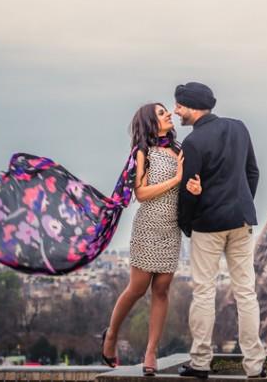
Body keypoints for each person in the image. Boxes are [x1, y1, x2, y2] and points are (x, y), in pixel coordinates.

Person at [174, 82, 266, 380]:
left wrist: (186, 223)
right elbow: (253, 172)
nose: (176, 111)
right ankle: (255, 364)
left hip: (208, 225)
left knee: (203, 292)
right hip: (241, 222)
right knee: (246, 293)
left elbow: (188, 191)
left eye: (179, 105)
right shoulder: (238, 128)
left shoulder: (193, 143)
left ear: (192, 106)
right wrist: (240, 203)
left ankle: (200, 361)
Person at [102, 103, 202, 374]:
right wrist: (177, 179)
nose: (168, 113)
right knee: (137, 289)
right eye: (161, 113)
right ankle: (111, 335)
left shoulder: (180, 150)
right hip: (148, 227)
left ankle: (151, 351)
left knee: (161, 291)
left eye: (166, 111)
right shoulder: (143, 152)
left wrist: (194, 186)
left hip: (171, 229)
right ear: (149, 122)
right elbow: (141, 193)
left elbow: (191, 185)